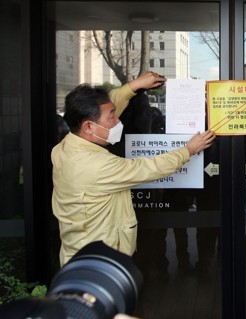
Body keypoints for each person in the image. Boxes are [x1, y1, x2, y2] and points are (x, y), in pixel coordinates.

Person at [51, 71, 216, 266]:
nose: (118, 120)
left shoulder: (66, 145)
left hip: (83, 255)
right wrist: (188, 150)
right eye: (112, 116)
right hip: (99, 263)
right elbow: (148, 167)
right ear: (88, 126)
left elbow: (110, 102)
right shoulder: (95, 166)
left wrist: (133, 86)